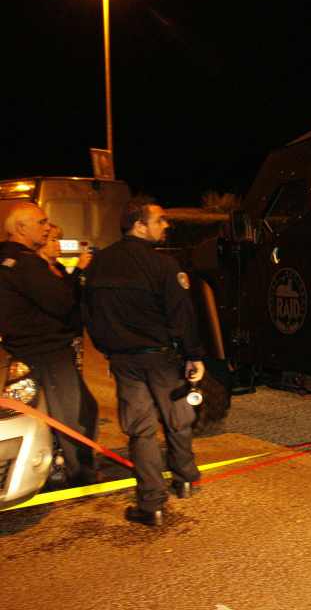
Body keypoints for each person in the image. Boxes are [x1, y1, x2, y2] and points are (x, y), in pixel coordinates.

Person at [84, 196, 205, 527]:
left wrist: (108, 349)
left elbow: (90, 315)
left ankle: (151, 503)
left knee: (141, 430)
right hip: (161, 358)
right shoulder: (162, 264)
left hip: (124, 360)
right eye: (160, 220)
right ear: (139, 225)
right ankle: (185, 479)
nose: (166, 226)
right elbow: (182, 314)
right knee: (177, 417)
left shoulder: (99, 264)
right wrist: (193, 354)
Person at [0, 202, 99, 486]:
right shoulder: (27, 263)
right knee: (75, 413)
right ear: (20, 228)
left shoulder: (9, 259)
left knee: (28, 411)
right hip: (48, 352)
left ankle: (43, 466)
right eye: (41, 222)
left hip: (23, 348)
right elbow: (62, 302)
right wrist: (78, 276)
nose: (46, 227)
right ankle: (80, 473)